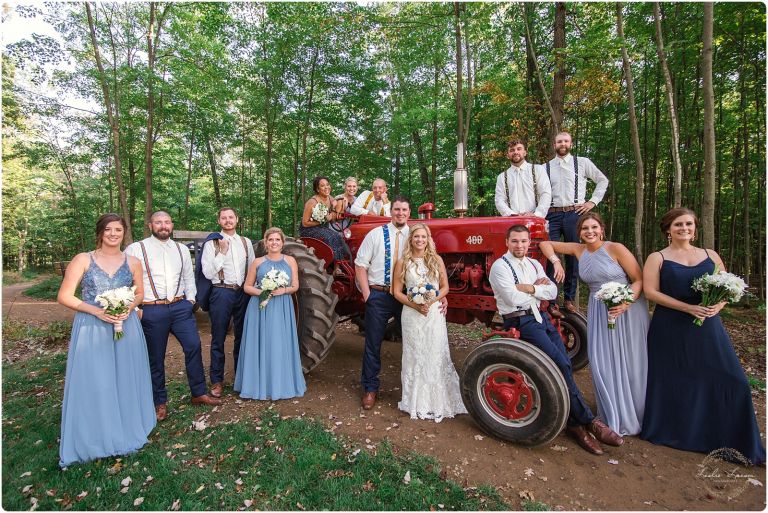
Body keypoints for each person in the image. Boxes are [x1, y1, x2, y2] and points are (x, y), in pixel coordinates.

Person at [640, 208, 765, 464]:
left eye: (688, 224)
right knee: (676, 379)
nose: (684, 228)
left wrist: (715, 306)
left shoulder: (710, 255)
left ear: (695, 228)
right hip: (670, 326)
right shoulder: (657, 257)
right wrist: (688, 307)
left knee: (735, 380)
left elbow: (728, 287)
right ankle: (682, 435)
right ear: (668, 229)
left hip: (708, 325)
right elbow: (650, 292)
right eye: (678, 224)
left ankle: (732, 440)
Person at [489, 224, 623, 455]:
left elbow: (552, 291)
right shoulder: (500, 267)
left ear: (529, 242)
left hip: (541, 317)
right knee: (559, 364)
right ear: (507, 242)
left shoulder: (534, 264)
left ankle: (574, 422)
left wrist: (529, 288)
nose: (520, 245)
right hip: (520, 320)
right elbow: (511, 298)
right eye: (515, 241)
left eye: (523, 241)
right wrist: (536, 289)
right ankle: (587, 423)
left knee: (566, 364)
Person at [57, 213, 156, 467]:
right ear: (100, 232)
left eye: (119, 230)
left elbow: (140, 292)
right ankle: (96, 435)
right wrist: (97, 311)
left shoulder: (133, 261)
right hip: (92, 327)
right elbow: (65, 296)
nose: (114, 234)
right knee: (96, 381)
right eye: (109, 229)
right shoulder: (83, 260)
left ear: (125, 233)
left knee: (125, 377)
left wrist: (129, 306)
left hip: (127, 325)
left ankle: (126, 428)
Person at [539, 212, 648, 436]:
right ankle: (612, 412)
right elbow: (545, 243)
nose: (590, 232)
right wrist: (556, 262)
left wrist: (626, 302)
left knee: (627, 360)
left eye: (594, 227)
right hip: (599, 308)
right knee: (601, 361)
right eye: (585, 228)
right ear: (579, 232)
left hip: (624, 307)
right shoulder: (579, 250)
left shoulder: (615, 248)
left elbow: (638, 280)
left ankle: (634, 413)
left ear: (602, 229)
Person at [125, 211, 221, 422]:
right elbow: (127, 279)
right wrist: (136, 308)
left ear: (172, 225)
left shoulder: (181, 249)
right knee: (155, 358)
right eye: (158, 222)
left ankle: (198, 393)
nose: (163, 226)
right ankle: (159, 402)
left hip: (180, 308)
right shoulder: (136, 248)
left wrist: (190, 301)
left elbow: (189, 277)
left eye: (167, 222)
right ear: (150, 225)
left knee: (194, 346)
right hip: (151, 309)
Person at [392, 223, 467, 422]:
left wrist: (431, 300)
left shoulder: (436, 260)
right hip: (412, 314)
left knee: (434, 354)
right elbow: (396, 291)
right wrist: (415, 304)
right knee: (415, 355)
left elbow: (445, 288)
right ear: (411, 239)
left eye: (423, 237)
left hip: (433, 314)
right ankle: (415, 402)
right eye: (416, 237)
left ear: (428, 239)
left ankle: (438, 401)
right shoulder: (403, 262)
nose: (420, 240)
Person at [235, 227, 305, 400]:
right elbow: (247, 287)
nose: (274, 243)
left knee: (279, 343)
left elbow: (296, 285)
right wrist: (264, 292)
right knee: (261, 343)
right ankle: (257, 384)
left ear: (282, 242)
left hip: (282, 306)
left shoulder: (290, 261)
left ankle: (280, 384)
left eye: (277, 240)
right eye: (270, 240)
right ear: (265, 243)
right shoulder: (258, 262)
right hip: (261, 307)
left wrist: (284, 290)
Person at [354, 196, 411, 409]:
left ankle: (411, 389)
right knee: (373, 343)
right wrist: (368, 295)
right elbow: (360, 265)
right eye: (397, 209)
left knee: (413, 343)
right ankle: (370, 388)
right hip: (379, 294)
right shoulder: (376, 234)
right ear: (391, 211)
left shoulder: (414, 236)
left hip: (406, 296)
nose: (400, 213)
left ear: (409, 213)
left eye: (404, 210)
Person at [545, 131, 609, 313]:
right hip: (552, 214)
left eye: (565, 141)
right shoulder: (545, 168)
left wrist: (592, 202)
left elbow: (603, 180)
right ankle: (551, 300)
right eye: (559, 141)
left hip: (574, 213)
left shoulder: (582, 163)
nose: (562, 144)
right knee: (551, 255)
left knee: (573, 256)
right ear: (554, 144)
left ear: (570, 143)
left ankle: (569, 299)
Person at [200, 207, 255, 398]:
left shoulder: (245, 242)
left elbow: (252, 269)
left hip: (242, 293)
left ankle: (241, 377)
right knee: (218, 337)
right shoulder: (212, 244)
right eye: (224, 218)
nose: (228, 220)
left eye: (231, 217)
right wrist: (222, 252)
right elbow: (207, 273)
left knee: (242, 335)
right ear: (219, 221)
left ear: (237, 220)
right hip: (221, 292)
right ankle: (217, 381)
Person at [494, 138, 551, 218]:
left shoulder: (538, 170)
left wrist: (537, 214)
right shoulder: (502, 177)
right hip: (512, 221)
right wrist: (512, 214)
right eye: (512, 150)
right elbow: (499, 200)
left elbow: (546, 194)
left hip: (535, 219)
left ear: (525, 152)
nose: (515, 152)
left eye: (519, 149)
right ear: (508, 155)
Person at [299, 176, 348, 261]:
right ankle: (334, 263)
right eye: (322, 186)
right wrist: (324, 220)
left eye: (327, 185)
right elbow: (305, 223)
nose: (326, 187)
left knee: (338, 236)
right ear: (318, 189)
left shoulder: (329, 197)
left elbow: (335, 202)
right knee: (330, 237)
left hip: (322, 228)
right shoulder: (312, 202)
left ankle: (338, 266)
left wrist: (337, 202)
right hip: (309, 229)